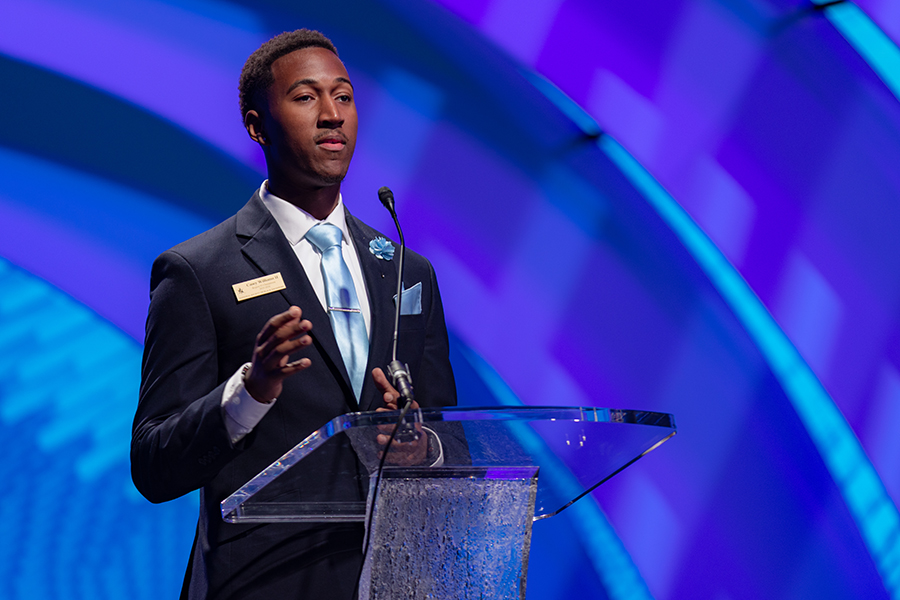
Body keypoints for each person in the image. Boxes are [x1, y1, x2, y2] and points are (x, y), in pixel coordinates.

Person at [131, 29, 456, 599]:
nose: (332, 115)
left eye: (345, 96)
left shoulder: (408, 271)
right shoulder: (199, 271)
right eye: (306, 98)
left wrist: (422, 447)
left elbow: (452, 437)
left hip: (394, 581)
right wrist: (250, 391)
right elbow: (154, 465)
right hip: (259, 585)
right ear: (258, 126)